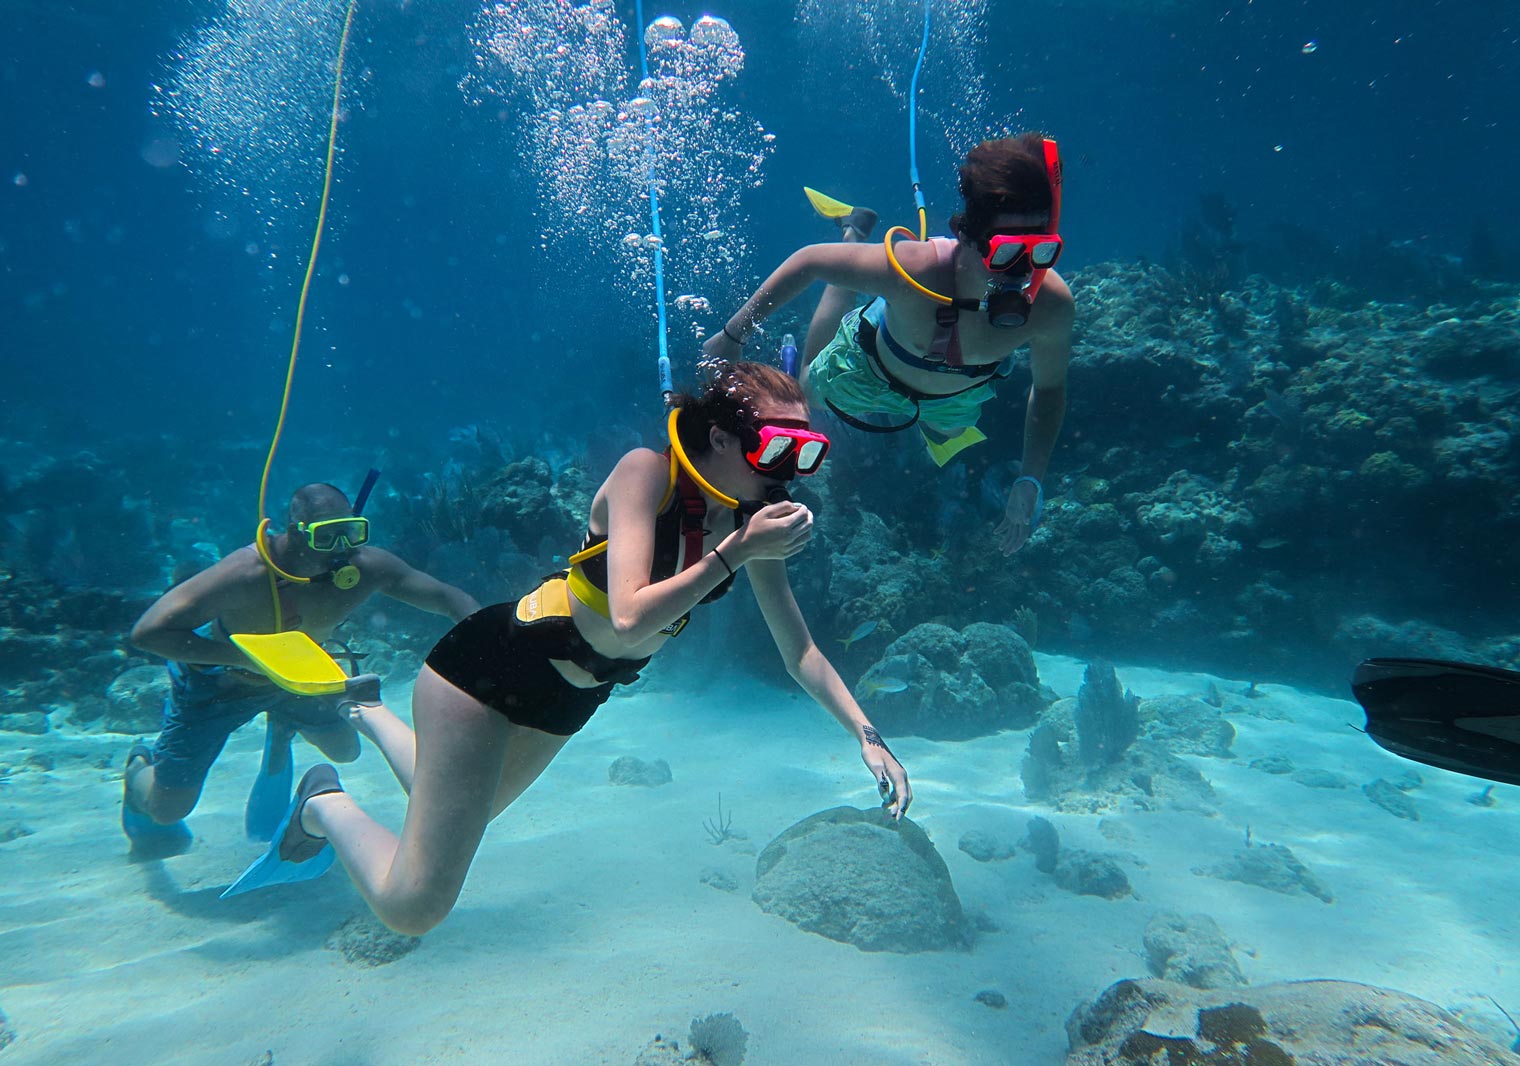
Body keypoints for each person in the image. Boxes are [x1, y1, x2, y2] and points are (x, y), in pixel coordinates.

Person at [223, 363, 913, 934]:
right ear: (721, 439)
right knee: (415, 906)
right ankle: (323, 803)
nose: (791, 471)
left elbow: (800, 652)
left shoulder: (747, 523)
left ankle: (366, 708)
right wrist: (736, 552)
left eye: (807, 453)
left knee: (456, 804)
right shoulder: (648, 474)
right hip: (487, 672)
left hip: (569, 699)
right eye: (778, 448)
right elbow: (631, 616)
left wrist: (867, 734)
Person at [703, 132, 1074, 555]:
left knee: (950, 429)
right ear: (966, 235)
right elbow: (809, 263)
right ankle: (853, 230)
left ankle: (929, 421)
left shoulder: (1052, 305)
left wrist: (1031, 478)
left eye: (1041, 252)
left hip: (957, 396)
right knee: (809, 394)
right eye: (1006, 253)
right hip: (873, 366)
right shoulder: (914, 271)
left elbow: (1049, 389)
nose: (1022, 272)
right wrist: (732, 335)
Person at [122, 482, 480, 854]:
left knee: (345, 750)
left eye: (350, 532)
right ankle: (137, 768)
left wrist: (489, 643)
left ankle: (282, 726)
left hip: (298, 678)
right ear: (296, 533)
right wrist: (244, 658)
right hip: (219, 685)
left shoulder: (368, 567)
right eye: (326, 536)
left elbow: (447, 597)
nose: (341, 548)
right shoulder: (245, 574)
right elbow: (147, 633)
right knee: (167, 809)